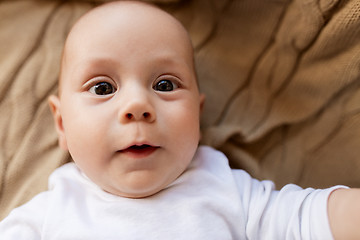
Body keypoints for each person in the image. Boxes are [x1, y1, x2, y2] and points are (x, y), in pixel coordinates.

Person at [0, 1, 359, 239]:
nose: (138, 104)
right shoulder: (46, 216)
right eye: (103, 87)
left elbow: (309, 218)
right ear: (62, 124)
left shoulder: (227, 191)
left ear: (197, 118)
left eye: (165, 84)